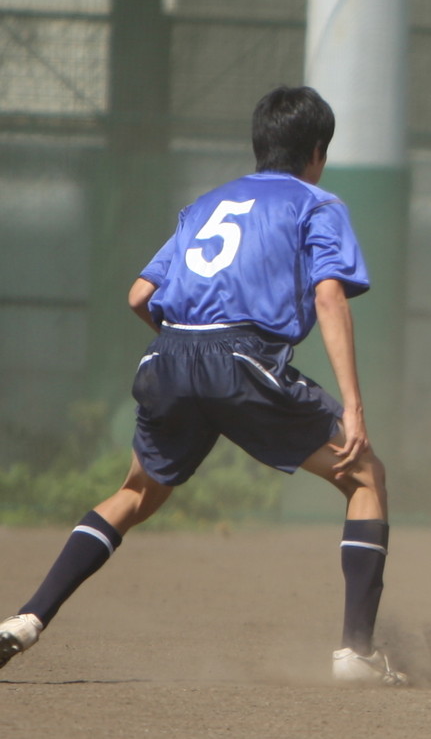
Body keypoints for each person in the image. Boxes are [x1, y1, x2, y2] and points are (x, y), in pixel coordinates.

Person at [0, 86, 408, 686]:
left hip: (168, 355)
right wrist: (352, 403)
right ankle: (355, 654)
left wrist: (188, 354)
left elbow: (140, 295)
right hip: (242, 359)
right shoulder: (316, 204)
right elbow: (328, 296)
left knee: (135, 494)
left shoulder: (206, 204)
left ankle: (25, 619)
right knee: (365, 473)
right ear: (316, 152)